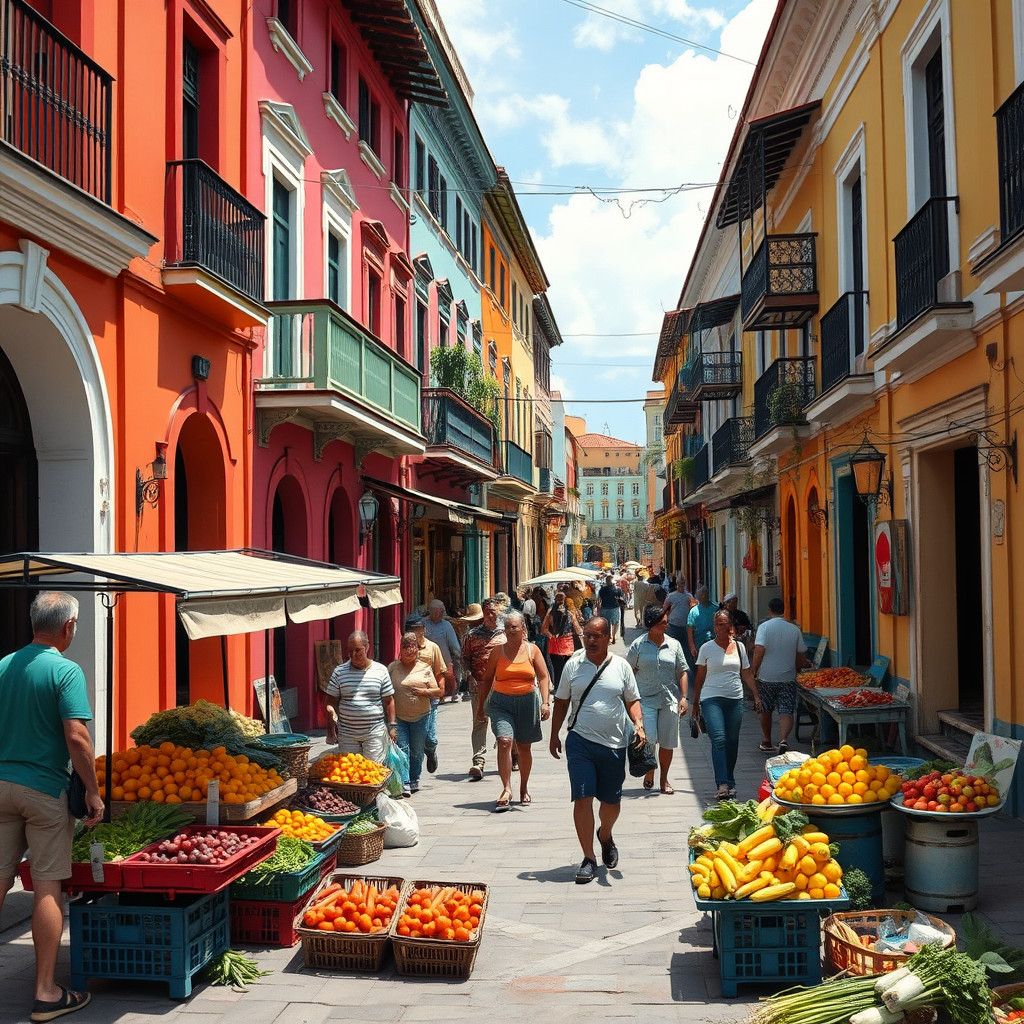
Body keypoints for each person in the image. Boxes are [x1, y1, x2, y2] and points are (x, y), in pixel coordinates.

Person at [0, 592, 103, 1024]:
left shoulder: (4, 665)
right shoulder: (65, 670)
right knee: (47, 887)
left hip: (1, 786)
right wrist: (93, 791)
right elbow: (76, 737)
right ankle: (46, 993)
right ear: (68, 627)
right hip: (43, 791)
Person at [549, 617, 646, 884]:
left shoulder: (621, 666)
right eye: (587, 635)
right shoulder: (573, 665)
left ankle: (605, 834)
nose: (590, 640)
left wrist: (638, 723)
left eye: (596, 636)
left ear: (607, 638)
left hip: (614, 744)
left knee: (611, 803)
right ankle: (589, 858)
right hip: (580, 740)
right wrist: (555, 734)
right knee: (582, 798)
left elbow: (633, 700)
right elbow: (561, 701)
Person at [476, 611, 551, 810]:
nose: (510, 630)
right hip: (501, 703)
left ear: (523, 629)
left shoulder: (532, 650)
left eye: (514, 627)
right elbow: (487, 679)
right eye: (507, 627)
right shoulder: (497, 652)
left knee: (524, 747)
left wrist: (545, 702)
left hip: (527, 702)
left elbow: (544, 677)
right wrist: (481, 707)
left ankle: (523, 787)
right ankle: (506, 788)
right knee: (504, 741)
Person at [692, 610, 759, 800]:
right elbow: (700, 676)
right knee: (719, 739)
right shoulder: (706, 648)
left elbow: (746, 673)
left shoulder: (739, 648)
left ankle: (730, 781)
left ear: (731, 626)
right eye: (718, 624)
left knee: (732, 741)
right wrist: (695, 702)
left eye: (725, 624)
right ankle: (722, 783)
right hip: (711, 698)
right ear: (715, 627)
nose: (722, 627)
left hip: (735, 698)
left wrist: (756, 694)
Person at [625, 604, 689, 794]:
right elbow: (628, 672)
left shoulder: (674, 645)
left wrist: (684, 698)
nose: (666, 626)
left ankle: (664, 780)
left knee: (668, 743)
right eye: (662, 623)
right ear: (651, 625)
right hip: (646, 699)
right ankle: (650, 770)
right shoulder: (638, 645)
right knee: (650, 738)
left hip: (669, 700)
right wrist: (630, 699)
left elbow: (682, 671)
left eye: (666, 622)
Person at [326, 631, 397, 763]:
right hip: (347, 734)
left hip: (374, 733)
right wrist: (331, 721)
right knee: (349, 772)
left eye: (358, 650)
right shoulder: (339, 672)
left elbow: (389, 701)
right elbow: (330, 702)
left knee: (373, 770)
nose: (354, 655)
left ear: (367, 647)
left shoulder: (381, 671)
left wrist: (392, 727)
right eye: (350, 650)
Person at [751, 597, 810, 754]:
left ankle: (766, 740)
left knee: (766, 709)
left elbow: (759, 651)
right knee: (786, 710)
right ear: (784, 610)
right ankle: (783, 739)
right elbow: (801, 655)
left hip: (767, 677)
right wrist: (796, 669)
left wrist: (754, 670)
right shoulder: (794, 629)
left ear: (769, 610)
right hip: (788, 677)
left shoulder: (764, 628)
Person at [387, 633, 443, 796]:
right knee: (403, 749)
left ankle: (414, 778)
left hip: (421, 717)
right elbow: (385, 692)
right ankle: (404, 782)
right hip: (400, 718)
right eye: (405, 648)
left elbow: (438, 692)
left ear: (417, 650)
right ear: (401, 650)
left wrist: (424, 691)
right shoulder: (393, 668)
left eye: (412, 649)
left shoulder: (425, 668)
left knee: (417, 750)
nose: (409, 652)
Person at [460, 600, 506, 780]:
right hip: (479, 685)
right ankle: (478, 761)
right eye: (487, 612)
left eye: (493, 611)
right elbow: (465, 659)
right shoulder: (472, 635)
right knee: (479, 721)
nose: (491, 615)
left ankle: (512, 755)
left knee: (504, 721)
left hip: (503, 684)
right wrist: (469, 675)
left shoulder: (506, 634)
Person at [404, 615, 446, 773]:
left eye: (417, 629)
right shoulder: (404, 647)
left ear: (423, 630)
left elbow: (440, 672)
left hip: (429, 697)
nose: (415, 633)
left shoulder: (432, 648)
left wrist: (440, 691)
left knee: (429, 734)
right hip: (409, 698)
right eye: (411, 630)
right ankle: (413, 771)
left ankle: (430, 749)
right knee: (413, 736)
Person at [542, 589, 583, 687]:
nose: (560, 601)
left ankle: (564, 686)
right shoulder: (551, 613)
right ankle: (560, 687)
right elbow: (544, 629)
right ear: (556, 600)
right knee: (559, 667)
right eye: (558, 599)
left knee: (566, 667)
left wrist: (581, 633)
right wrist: (551, 636)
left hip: (567, 644)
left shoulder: (570, 613)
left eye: (562, 599)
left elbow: (577, 628)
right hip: (557, 644)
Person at [423, 600, 462, 703]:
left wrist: (458, 656)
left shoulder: (446, 625)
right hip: (427, 661)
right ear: (433, 611)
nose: (443, 613)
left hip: (444, 660)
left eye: (443, 611)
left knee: (446, 680)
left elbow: (455, 646)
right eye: (440, 611)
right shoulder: (423, 624)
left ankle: (446, 695)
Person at [721, 592, 754, 657]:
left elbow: (749, 627)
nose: (733, 604)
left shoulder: (742, 615)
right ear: (725, 603)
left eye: (735, 602)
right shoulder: (720, 615)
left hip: (740, 643)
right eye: (731, 602)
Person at [597, 574, 622, 643]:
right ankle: (613, 636)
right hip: (614, 608)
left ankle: (609, 636)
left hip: (604, 608)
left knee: (606, 623)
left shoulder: (602, 589)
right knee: (615, 623)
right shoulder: (617, 589)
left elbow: (599, 599)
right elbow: (620, 598)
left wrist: (598, 609)